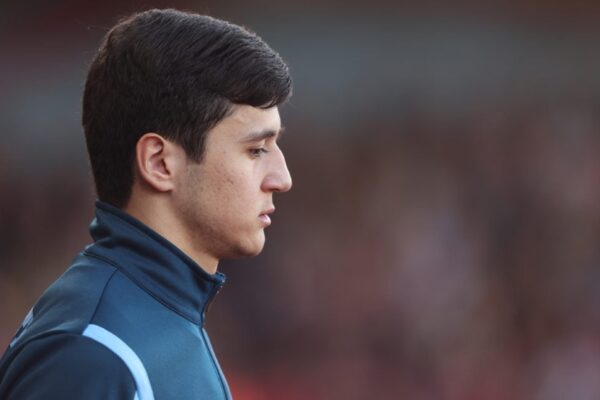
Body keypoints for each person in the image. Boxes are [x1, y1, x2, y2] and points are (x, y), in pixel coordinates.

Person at [0, 8, 292, 400]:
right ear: (159, 163)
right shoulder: (91, 354)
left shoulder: (157, 315)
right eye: (256, 149)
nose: (282, 178)